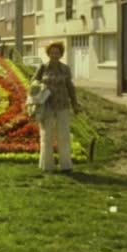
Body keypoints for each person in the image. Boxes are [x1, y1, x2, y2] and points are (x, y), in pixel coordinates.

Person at [30, 42, 81, 173]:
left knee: (63, 136)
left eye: (57, 53)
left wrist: (75, 102)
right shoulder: (42, 68)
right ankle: (47, 166)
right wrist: (38, 88)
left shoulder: (65, 69)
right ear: (48, 54)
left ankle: (66, 165)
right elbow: (33, 85)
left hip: (63, 105)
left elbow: (70, 86)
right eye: (52, 53)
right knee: (47, 136)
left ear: (61, 54)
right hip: (47, 106)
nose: (54, 55)